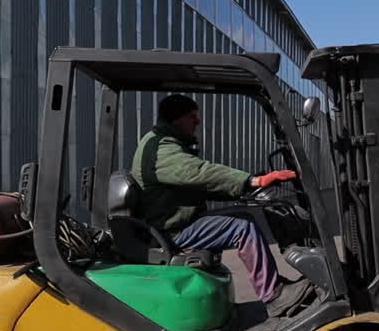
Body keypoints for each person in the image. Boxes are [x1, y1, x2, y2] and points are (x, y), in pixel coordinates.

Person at [131, 94, 314, 317]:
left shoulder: (165, 143)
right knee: (242, 226)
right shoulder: (160, 148)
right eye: (192, 117)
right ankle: (273, 295)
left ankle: (272, 285)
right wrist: (251, 181)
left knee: (243, 216)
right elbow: (199, 172)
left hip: (174, 222)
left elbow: (198, 185)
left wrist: (244, 187)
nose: (197, 122)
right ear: (177, 119)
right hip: (171, 231)